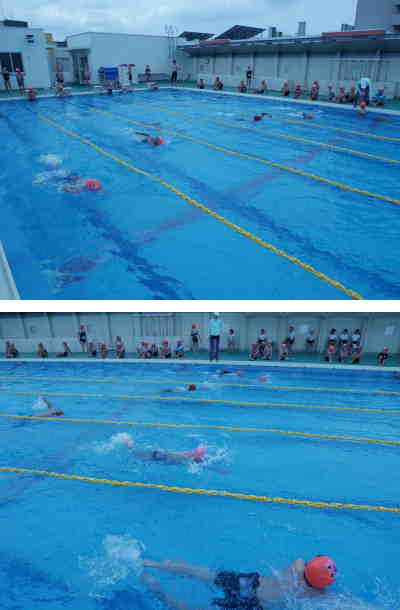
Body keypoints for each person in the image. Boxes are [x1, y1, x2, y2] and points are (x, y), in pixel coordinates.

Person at [142, 554, 337, 609]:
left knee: (203, 573)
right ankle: (159, 592)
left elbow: (313, 561)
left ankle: (154, 564)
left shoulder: (297, 564)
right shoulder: (316, 594)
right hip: (251, 603)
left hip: (249, 582)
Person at [124, 437, 207, 465]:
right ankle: (130, 446)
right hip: (161, 456)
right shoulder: (188, 458)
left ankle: (130, 446)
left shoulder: (188, 457)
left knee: (137, 454)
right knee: (137, 454)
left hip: (161, 456)